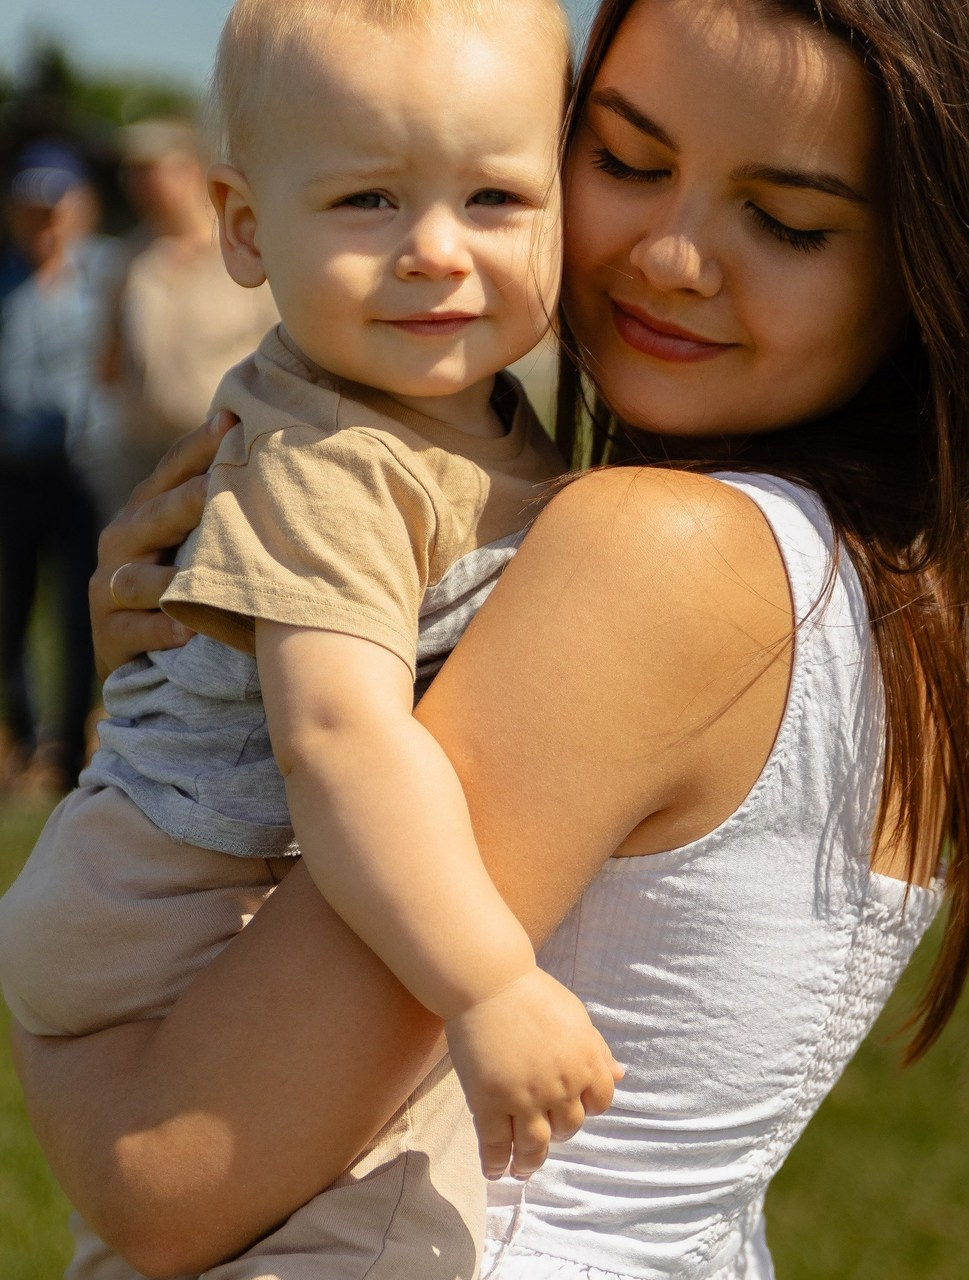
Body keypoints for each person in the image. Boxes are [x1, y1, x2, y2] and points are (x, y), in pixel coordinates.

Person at [11, 0, 969, 1277]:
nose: (673, 256)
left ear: (928, 260)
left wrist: (87, 932)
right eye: (622, 161)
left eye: (786, 221)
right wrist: (222, 665)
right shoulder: (896, 579)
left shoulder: (654, 555)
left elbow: (160, 1173)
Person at [0, 1, 621, 1275]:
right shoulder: (332, 458)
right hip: (177, 907)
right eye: (368, 202)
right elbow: (339, 740)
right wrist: (490, 986)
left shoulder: (465, 417)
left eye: (495, 198)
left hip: (174, 886)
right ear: (245, 227)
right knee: (369, 1236)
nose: (436, 251)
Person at [0, 141, 120, 795]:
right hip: (12, 471)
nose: (42, 223)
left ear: (79, 210)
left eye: (53, 210)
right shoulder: (4, 280)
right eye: (30, 210)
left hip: (82, 471)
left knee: (79, 611)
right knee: (12, 612)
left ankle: (72, 749)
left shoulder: (109, 274)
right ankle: (20, 739)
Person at [89, 117, 280, 518]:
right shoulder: (128, 258)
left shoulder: (247, 250)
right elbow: (106, 359)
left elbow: (283, 348)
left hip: (232, 455)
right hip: (143, 459)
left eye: (151, 170)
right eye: (132, 171)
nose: (138, 183)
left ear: (193, 170)